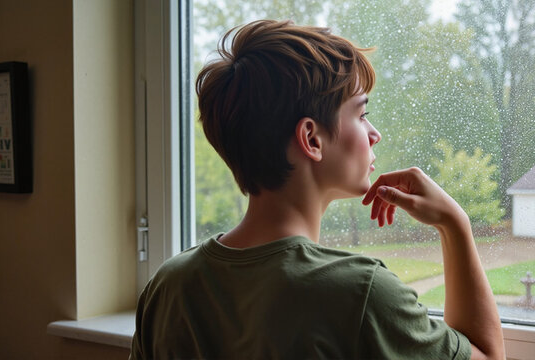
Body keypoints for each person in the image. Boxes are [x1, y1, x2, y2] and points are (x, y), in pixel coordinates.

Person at [130, 19, 504, 359]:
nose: (375, 134)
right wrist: (454, 224)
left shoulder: (167, 286)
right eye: (361, 114)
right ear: (311, 138)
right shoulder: (361, 294)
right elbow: (488, 354)